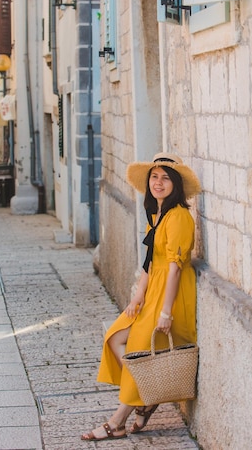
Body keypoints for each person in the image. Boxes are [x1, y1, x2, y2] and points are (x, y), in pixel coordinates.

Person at [81, 152, 201, 442]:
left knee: (137, 349)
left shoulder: (179, 217)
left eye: (165, 178)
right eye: (154, 177)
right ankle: (147, 397)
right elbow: (150, 262)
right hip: (152, 290)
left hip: (171, 294)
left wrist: (166, 311)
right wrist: (137, 296)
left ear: (176, 184)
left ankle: (118, 421)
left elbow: (174, 268)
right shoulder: (157, 216)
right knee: (114, 337)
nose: (158, 183)